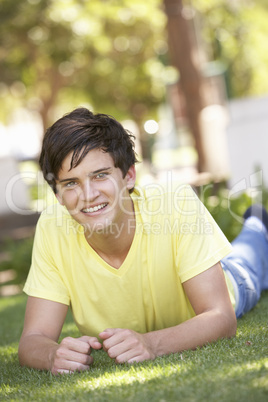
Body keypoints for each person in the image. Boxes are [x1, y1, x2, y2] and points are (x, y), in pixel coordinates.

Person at [18, 108, 268, 375]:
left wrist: (151, 343)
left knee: (247, 260)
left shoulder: (175, 202)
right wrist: (53, 355)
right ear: (57, 194)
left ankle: (257, 225)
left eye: (100, 175)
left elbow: (221, 317)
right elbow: (33, 339)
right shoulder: (52, 226)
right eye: (70, 183)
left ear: (128, 176)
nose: (88, 194)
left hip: (230, 281)